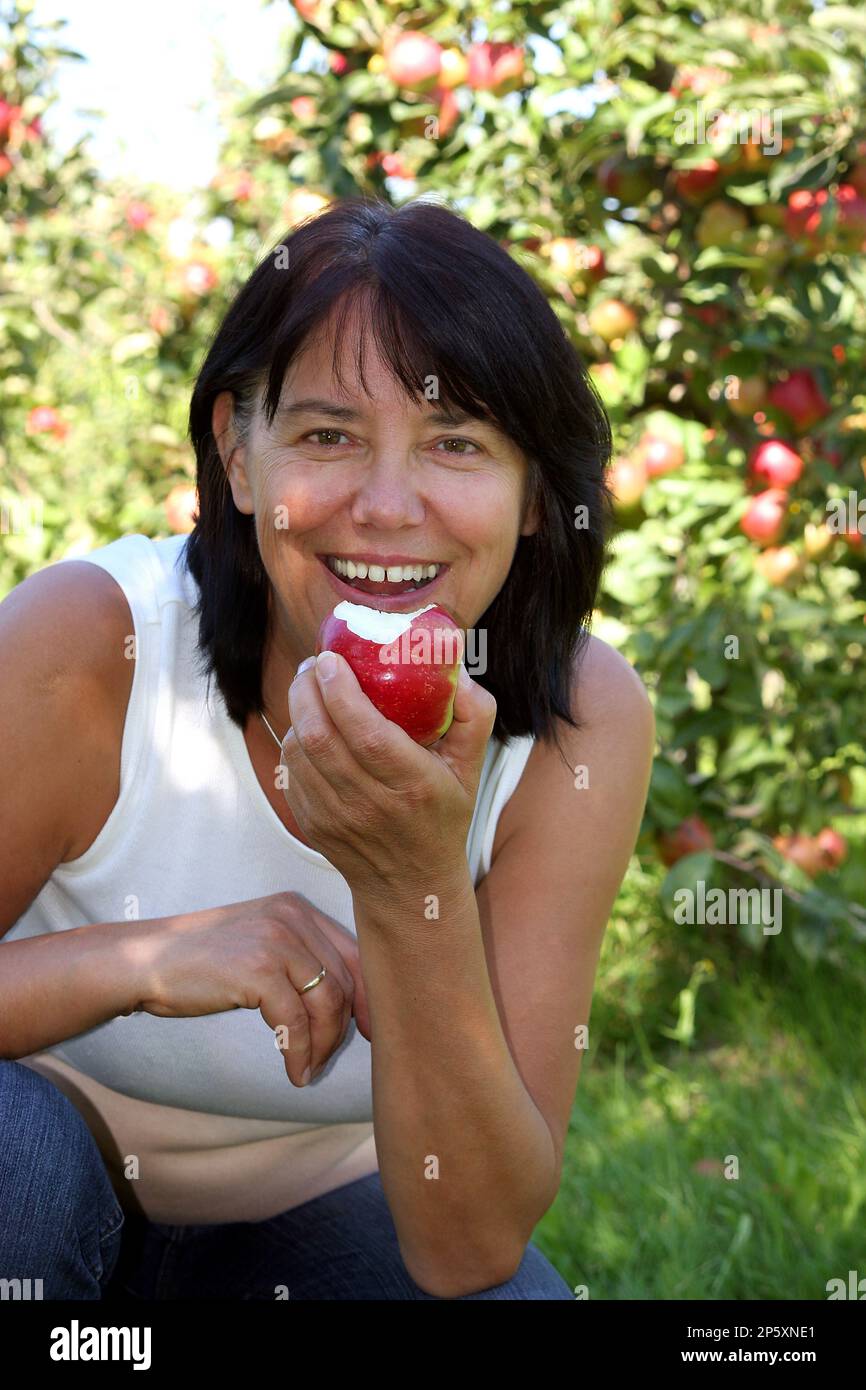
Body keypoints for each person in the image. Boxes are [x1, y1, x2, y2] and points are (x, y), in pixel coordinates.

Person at [0, 196, 654, 1300]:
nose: (386, 507)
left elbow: (468, 1244)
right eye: (327, 436)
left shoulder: (576, 720)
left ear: (534, 493)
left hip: (314, 1222)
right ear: (239, 457)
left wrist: (411, 884)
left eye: (456, 443)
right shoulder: (89, 644)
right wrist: (141, 963)